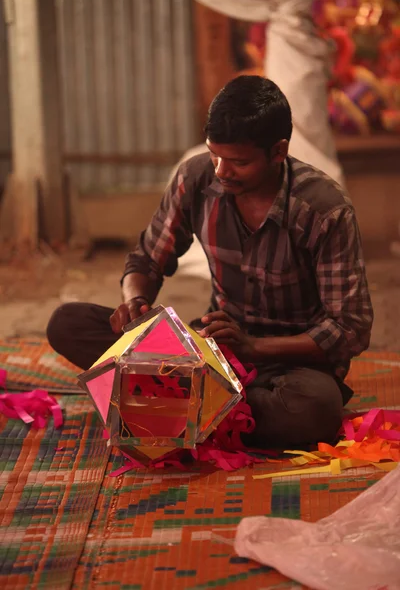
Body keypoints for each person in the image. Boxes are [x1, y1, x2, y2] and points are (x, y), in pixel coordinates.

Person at [47, 76, 373, 448]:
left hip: (292, 362)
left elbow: (350, 328)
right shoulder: (197, 176)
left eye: (238, 162)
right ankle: (211, 407)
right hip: (212, 350)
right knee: (67, 322)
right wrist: (134, 302)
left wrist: (255, 347)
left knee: (314, 409)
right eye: (214, 154)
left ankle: (183, 404)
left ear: (279, 152)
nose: (221, 171)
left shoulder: (324, 208)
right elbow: (146, 261)